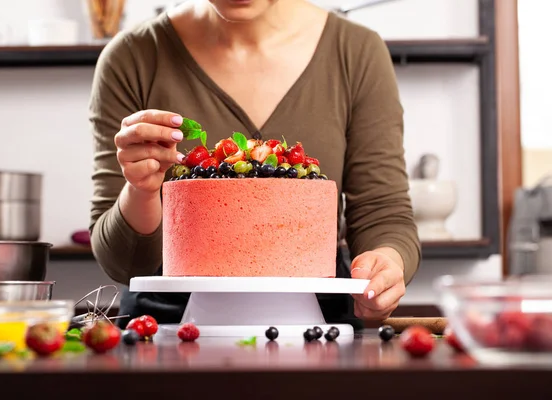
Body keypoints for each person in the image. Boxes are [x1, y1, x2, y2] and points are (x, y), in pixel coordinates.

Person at [88, 0, 421, 330]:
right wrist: (141, 191)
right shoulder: (131, 57)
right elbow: (123, 263)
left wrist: (385, 266)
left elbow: (382, 211)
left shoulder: (357, 51)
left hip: (320, 326)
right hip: (165, 330)